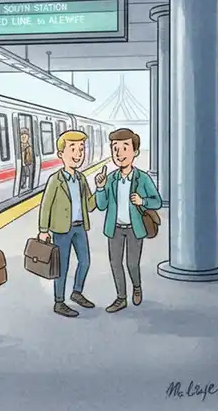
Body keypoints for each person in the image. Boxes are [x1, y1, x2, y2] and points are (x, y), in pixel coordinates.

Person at [94, 128, 162, 313]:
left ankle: (137, 287)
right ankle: (121, 297)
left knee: (132, 263)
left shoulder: (143, 178)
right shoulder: (110, 179)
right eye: (115, 148)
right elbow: (101, 205)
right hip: (114, 229)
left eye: (125, 147)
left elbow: (157, 201)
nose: (119, 153)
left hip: (135, 228)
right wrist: (100, 188)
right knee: (115, 263)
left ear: (135, 152)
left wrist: (143, 201)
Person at [38, 130, 97, 318]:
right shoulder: (55, 180)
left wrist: (101, 188)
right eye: (73, 149)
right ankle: (59, 301)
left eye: (81, 149)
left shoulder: (81, 179)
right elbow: (46, 205)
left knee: (85, 261)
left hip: (79, 227)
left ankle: (77, 292)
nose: (78, 154)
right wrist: (43, 230)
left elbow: (90, 204)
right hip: (61, 229)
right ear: (61, 154)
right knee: (61, 266)